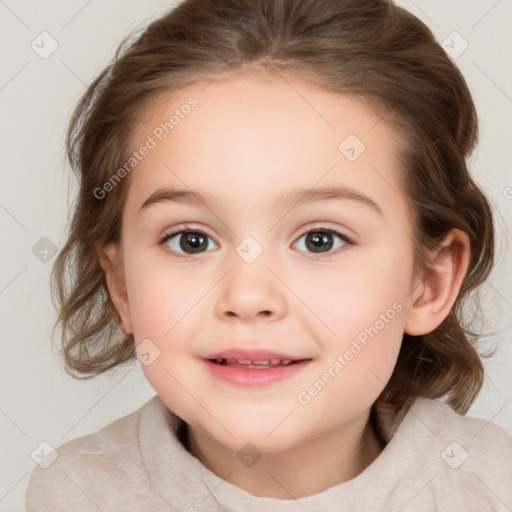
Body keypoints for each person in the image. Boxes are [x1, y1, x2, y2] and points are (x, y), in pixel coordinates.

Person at [25, 0, 512, 510]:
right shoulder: (76, 493)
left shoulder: (489, 488)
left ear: (428, 283)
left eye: (320, 239)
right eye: (191, 240)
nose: (249, 296)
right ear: (121, 283)